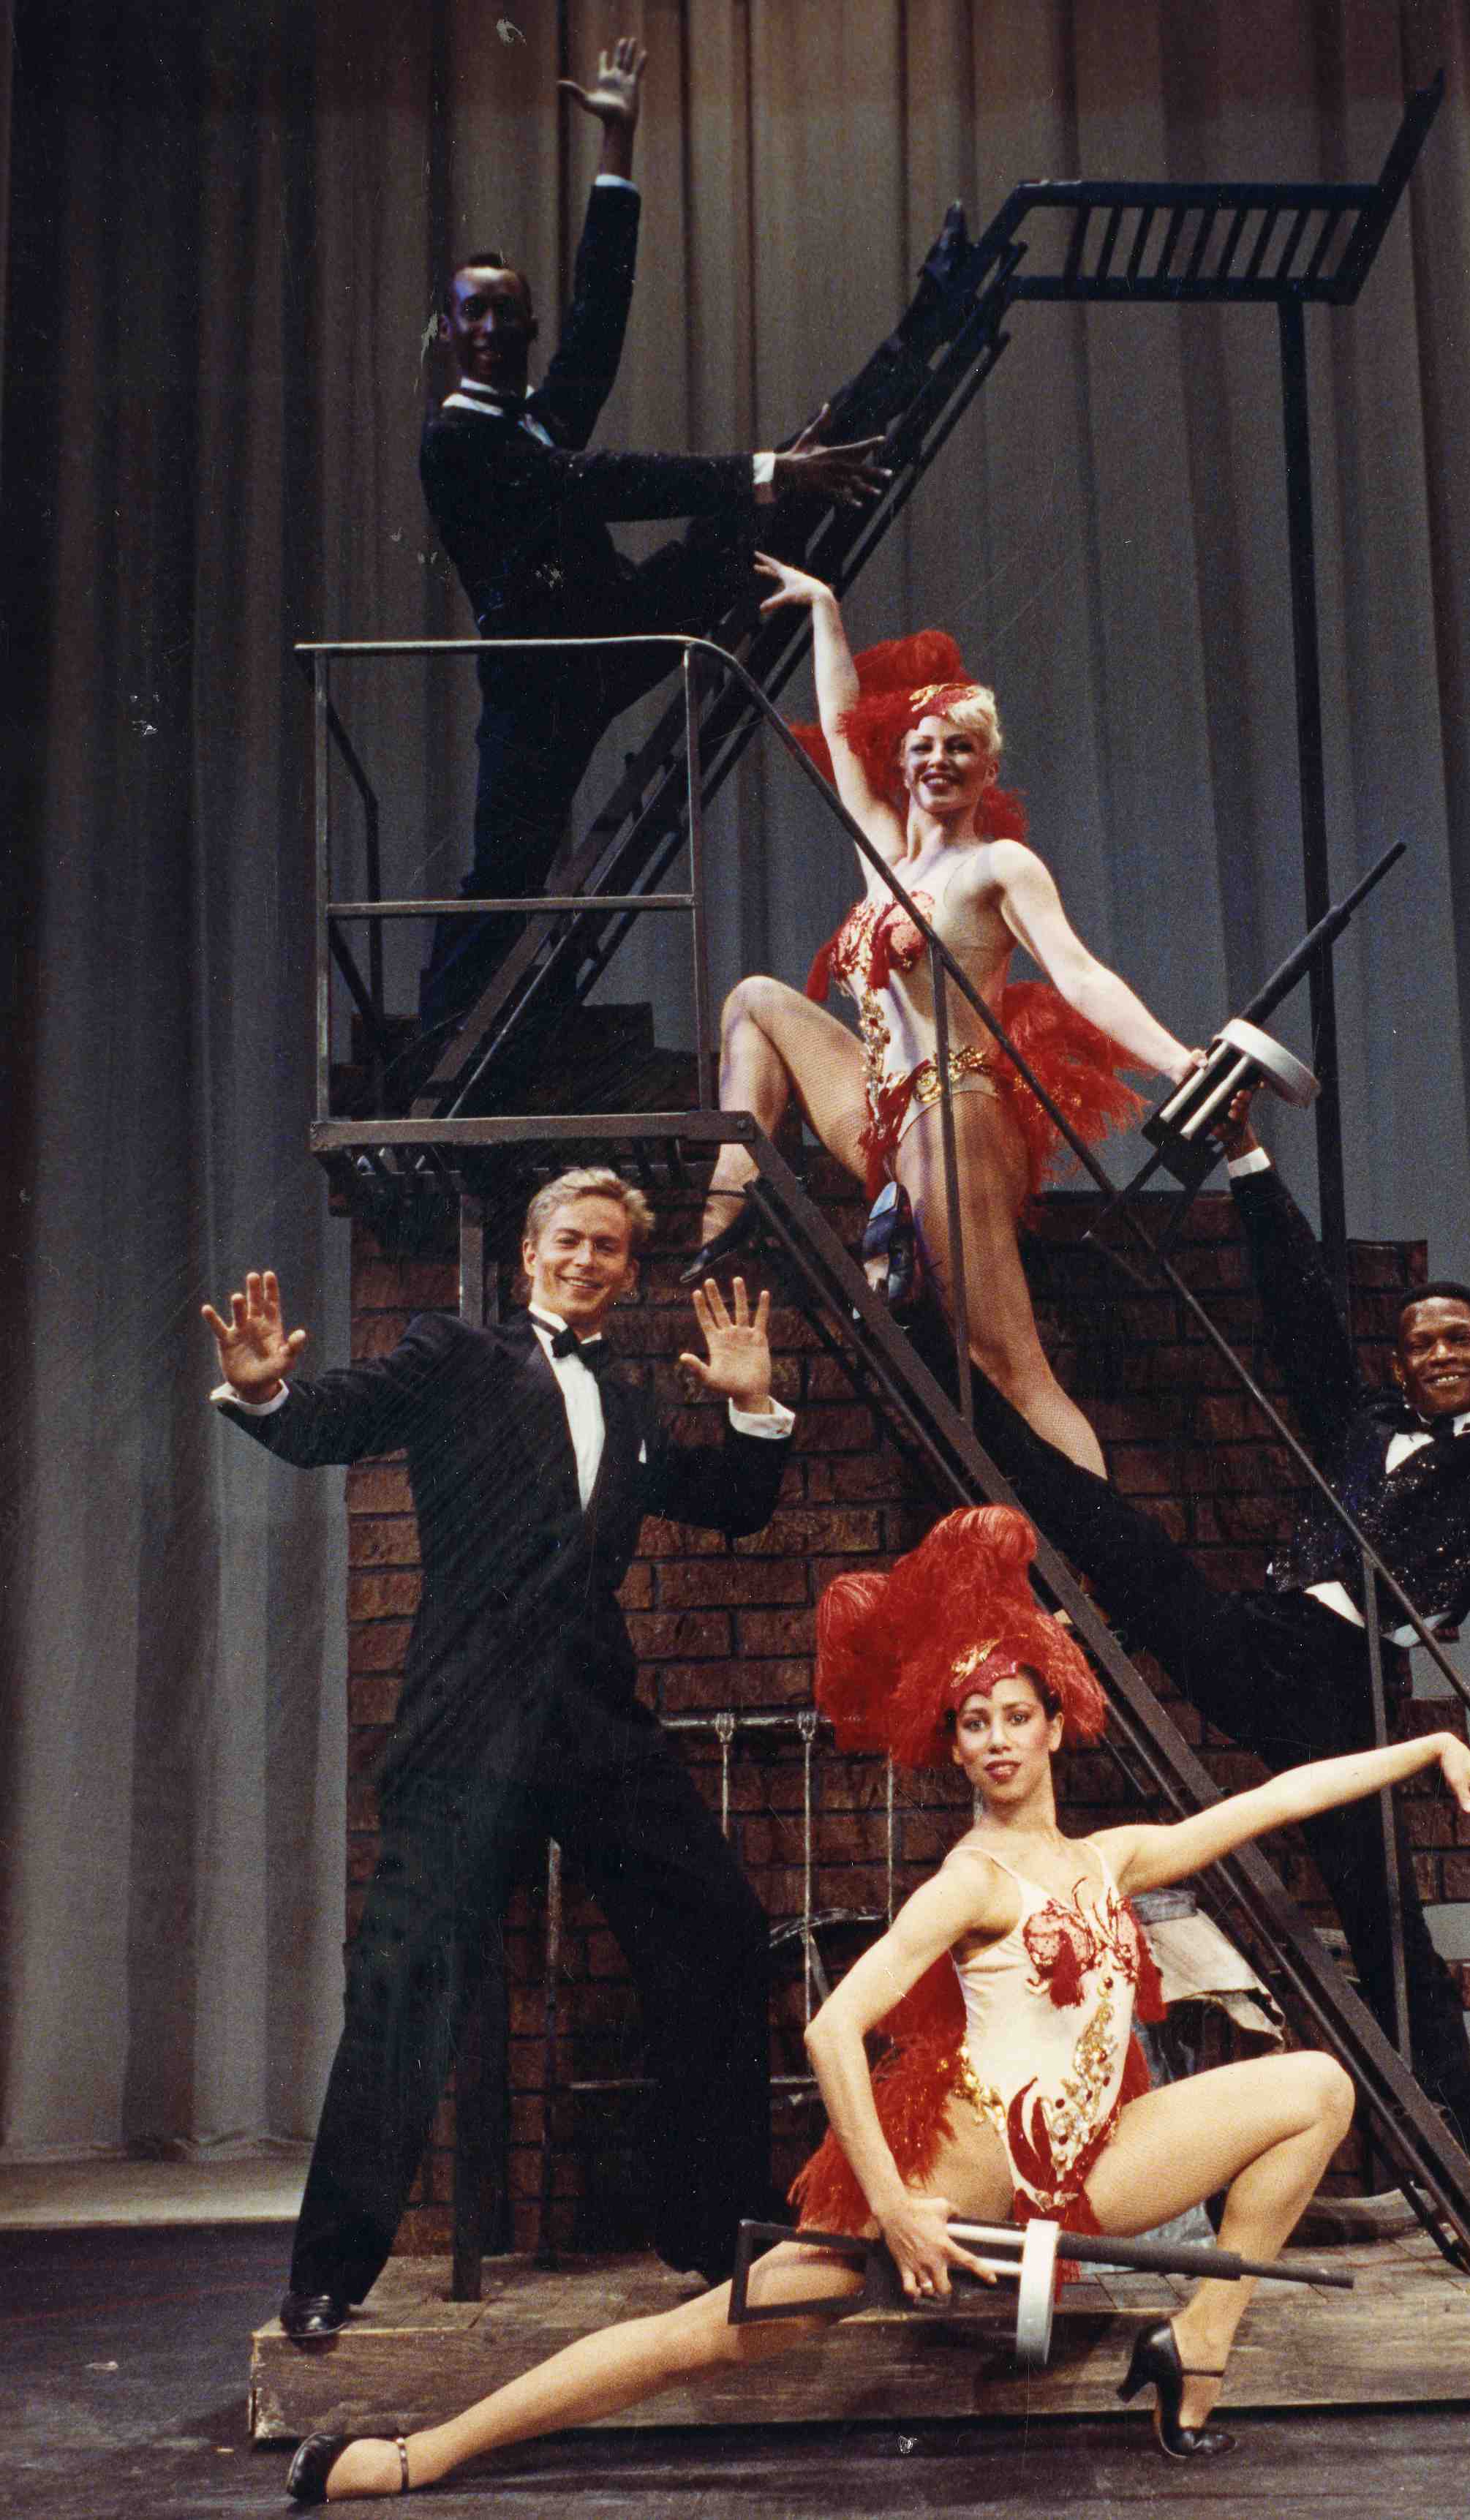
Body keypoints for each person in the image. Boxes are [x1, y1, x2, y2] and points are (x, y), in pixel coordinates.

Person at [283, 1505, 1470, 2498]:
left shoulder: (1110, 1859)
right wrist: (894, 2208)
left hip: (1086, 2171)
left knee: (1314, 2086)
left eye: (1016, 1717)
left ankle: (1198, 2346)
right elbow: (835, 2025)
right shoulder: (971, 1879)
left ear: (1057, 1724)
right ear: (958, 1743)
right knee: (709, 2332)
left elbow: (1272, 1800)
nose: (995, 1739)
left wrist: (1425, 1750)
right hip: (950, 2189)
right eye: (974, 1723)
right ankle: (422, 2455)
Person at [945, 1086, 1470, 2196]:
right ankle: (946, 1375)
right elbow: (1299, 1315)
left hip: (1346, 1690)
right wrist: (1245, 1152)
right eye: (1419, 1343)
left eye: (1457, 1339)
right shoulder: (1359, 1424)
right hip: (1258, 1638)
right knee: (1120, 1536)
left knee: (1392, 1942)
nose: (1438, 1354)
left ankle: (1465, 2194)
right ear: (1400, 1365)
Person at [202, 1170, 797, 2335]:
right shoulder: (455, 1356)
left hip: (593, 1724)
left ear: (628, 1271)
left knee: (719, 1930)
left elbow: (732, 1504)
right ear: (528, 1253)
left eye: (608, 1247)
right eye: (568, 1240)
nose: (585, 1261)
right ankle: (326, 2274)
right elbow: (334, 1419)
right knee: (406, 1981)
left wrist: (752, 1405)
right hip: (467, 1725)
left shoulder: (627, 1403)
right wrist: (268, 1392)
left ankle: (714, 2231)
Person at [415, 29, 967, 1032]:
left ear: (525, 329)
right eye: (473, 316)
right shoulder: (461, 441)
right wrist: (765, 469)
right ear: (446, 332)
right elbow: (597, 482)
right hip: (541, 682)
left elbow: (598, 318)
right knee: (505, 871)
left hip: (606, 633)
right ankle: (431, 1046)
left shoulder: (531, 416)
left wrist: (616, 148)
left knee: (773, 500)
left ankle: (929, 323)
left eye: (506, 314)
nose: (490, 329)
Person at [679, 556, 1199, 1473]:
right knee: (755, 1001)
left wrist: (1176, 1060)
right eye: (923, 746)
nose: (938, 761)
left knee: (1004, 1359)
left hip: (955, 1111)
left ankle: (1107, 1543)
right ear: (902, 761)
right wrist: (825, 611)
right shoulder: (887, 856)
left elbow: (1080, 975)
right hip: (882, 1113)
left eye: (961, 748)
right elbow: (844, 740)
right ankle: (737, 1188)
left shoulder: (999, 867)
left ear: (988, 766)